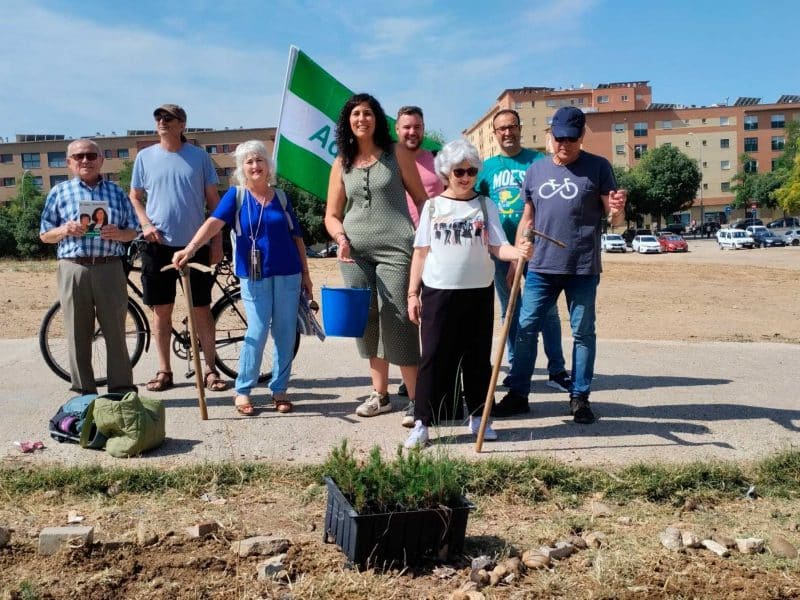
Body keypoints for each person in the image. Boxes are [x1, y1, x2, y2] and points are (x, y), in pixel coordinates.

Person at [500, 107, 627, 424]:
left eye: (571, 139)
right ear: (550, 135)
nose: (564, 145)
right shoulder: (536, 171)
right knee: (526, 329)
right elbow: (527, 219)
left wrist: (617, 210)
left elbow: (615, 220)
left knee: (583, 332)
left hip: (582, 268)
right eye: (559, 138)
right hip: (541, 267)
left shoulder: (598, 168)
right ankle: (518, 395)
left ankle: (579, 397)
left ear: (582, 135)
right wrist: (517, 258)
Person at [404, 139, 532, 448]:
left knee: (477, 358)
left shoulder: (485, 205)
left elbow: (497, 246)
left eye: (472, 171)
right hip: (439, 292)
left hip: (477, 292)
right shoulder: (433, 207)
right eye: (459, 171)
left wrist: (517, 252)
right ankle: (422, 422)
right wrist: (412, 293)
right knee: (434, 358)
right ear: (446, 172)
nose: (466, 177)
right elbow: (420, 253)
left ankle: (478, 416)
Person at [172, 140, 312, 415]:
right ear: (242, 168)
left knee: (285, 333)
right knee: (258, 331)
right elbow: (213, 224)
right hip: (254, 274)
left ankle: (279, 389)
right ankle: (243, 390)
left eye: (259, 160)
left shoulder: (281, 197)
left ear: (268, 165)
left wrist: (306, 274)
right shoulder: (235, 196)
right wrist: (190, 249)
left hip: (288, 273)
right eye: (249, 161)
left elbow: (296, 237)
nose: (255, 165)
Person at [324, 93, 428, 418]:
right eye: (355, 114)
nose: (361, 119)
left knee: (399, 318)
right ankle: (379, 395)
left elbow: (423, 200)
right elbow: (331, 214)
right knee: (367, 322)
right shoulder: (342, 162)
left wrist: (425, 240)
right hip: (355, 253)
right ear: (348, 121)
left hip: (397, 249)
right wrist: (340, 237)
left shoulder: (396, 153)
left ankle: (416, 400)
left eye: (367, 113)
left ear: (376, 119)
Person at [475, 110, 571, 418]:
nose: (507, 133)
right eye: (501, 129)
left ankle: (557, 371)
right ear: (495, 134)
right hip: (503, 251)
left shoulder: (538, 162)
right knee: (510, 310)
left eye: (512, 127)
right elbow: (476, 204)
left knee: (547, 313)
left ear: (520, 129)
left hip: (539, 249)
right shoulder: (486, 168)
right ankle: (518, 371)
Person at [129, 103, 227, 393]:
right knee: (161, 311)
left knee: (201, 309)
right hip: (156, 245)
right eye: (158, 117)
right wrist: (145, 223)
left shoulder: (199, 158)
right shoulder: (145, 157)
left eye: (169, 118)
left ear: (182, 124)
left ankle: (210, 370)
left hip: (195, 244)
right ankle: (164, 370)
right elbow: (134, 196)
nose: (162, 121)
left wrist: (217, 241)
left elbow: (214, 203)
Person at [39, 139, 139, 395]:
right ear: (70, 162)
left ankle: (121, 391)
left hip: (109, 267)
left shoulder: (117, 192)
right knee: (77, 333)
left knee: (115, 333)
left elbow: (133, 231)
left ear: (101, 160)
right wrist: (64, 229)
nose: (86, 160)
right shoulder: (59, 192)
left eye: (91, 155)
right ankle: (84, 394)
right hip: (74, 268)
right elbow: (44, 235)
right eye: (79, 156)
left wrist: (119, 233)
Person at [394, 105, 445, 425]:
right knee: (403, 316)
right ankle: (410, 377)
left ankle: (432, 377)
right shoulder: (387, 161)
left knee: (431, 316)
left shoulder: (436, 162)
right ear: (397, 130)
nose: (412, 132)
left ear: (423, 129)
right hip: (396, 249)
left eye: (417, 127)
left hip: (432, 249)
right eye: (406, 127)